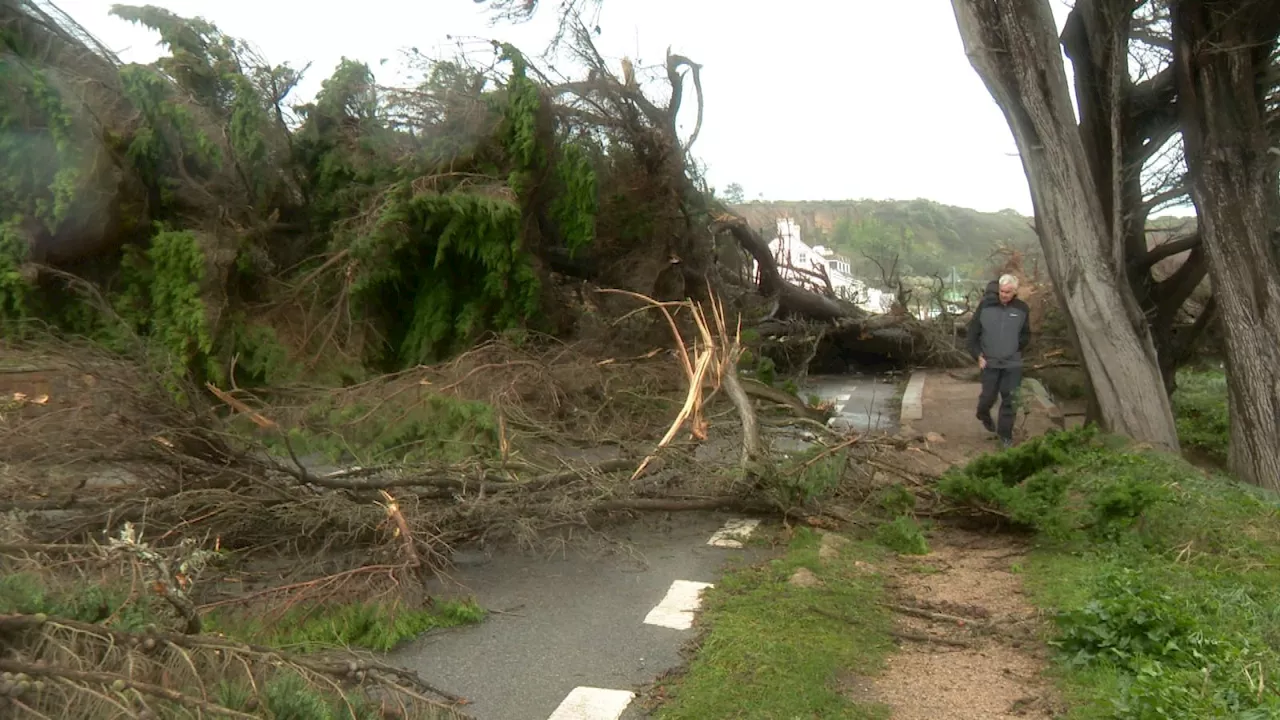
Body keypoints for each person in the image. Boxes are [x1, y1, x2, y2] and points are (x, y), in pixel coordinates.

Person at [965, 273, 1031, 448]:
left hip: (1012, 363)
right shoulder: (985, 307)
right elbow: (972, 335)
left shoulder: (1022, 309)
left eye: (1008, 292)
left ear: (1015, 292)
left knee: (1010, 399)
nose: (1004, 295)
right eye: (1002, 291)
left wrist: (1015, 348)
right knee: (988, 397)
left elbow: (1026, 335)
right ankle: (983, 412)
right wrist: (978, 355)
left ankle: (1005, 436)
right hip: (990, 362)